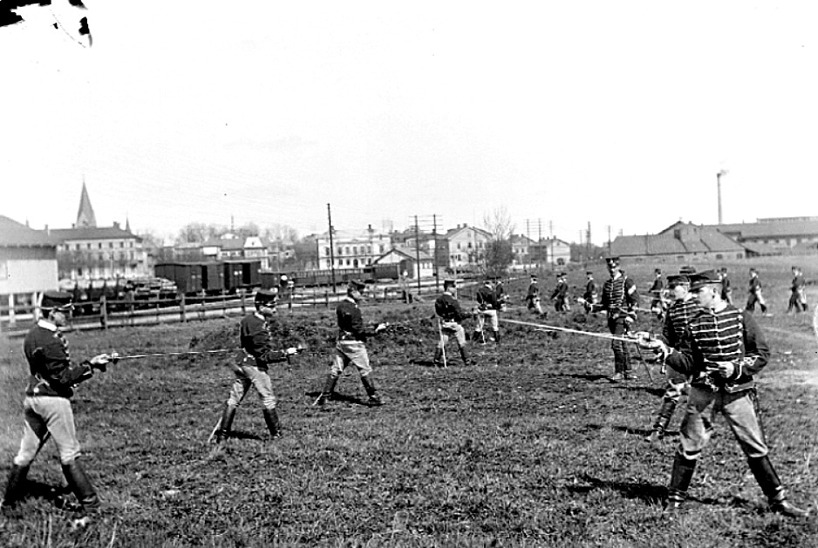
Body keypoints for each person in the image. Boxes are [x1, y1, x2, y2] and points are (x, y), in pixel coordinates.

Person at [651, 270, 807, 517]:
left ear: (714, 290)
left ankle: (779, 500)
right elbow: (689, 362)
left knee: (754, 445)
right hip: (703, 393)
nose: (693, 296)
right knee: (688, 445)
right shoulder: (695, 323)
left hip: (738, 392)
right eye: (691, 291)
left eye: (697, 291)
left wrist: (736, 367)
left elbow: (761, 353)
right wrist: (665, 352)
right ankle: (675, 501)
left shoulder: (740, 317)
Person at [2, 292, 113, 522]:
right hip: (53, 402)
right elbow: (62, 378)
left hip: (32, 400)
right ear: (52, 312)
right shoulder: (51, 339)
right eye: (66, 311)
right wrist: (90, 365)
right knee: (69, 454)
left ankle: (8, 503)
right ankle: (91, 507)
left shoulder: (33, 334)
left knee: (25, 453)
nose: (69, 315)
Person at [213, 289, 300, 443]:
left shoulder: (247, 320)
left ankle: (222, 435)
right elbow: (264, 356)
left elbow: (245, 345)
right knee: (268, 399)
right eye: (271, 305)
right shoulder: (260, 328)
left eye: (275, 304)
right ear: (260, 306)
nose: (275, 308)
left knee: (234, 399)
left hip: (241, 364)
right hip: (255, 367)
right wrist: (286, 353)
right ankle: (277, 435)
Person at [643, 273, 699, 443]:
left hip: (701, 359)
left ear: (686, 288)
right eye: (670, 288)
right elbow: (667, 336)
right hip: (679, 358)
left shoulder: (699, 306)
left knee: (709, 393)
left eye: (674, 288)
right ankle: (658, 429)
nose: (671, 291)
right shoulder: (673, 310)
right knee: (673, 391)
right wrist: (652, 340)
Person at [314, 280, 387, 407]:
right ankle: (374, 397)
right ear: (353, 291)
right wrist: (376, 330)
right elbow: (359, 330)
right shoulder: (354, 309)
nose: (362, 294)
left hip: (342, 342)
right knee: (365, 369)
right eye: (360, 292)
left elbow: (350, 325)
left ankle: (325, 397)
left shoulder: (341, 306)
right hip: (354, 344)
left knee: (336, 369)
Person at [589, 257, 639, 382]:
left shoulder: (627, 281)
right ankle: (628, 372)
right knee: (622, 343)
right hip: (611, 318)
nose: (612, 269)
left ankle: (619, 372)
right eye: (610, 267)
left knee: (616, 344)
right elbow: (604, 304)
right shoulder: (607, 284)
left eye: (614, 267)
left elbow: (635, 300)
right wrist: (589, 306)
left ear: (618, 266)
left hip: (622, 317)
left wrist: (631, 316)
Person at [433, 279, 472, 366]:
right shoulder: (453, 300)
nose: (455, 289)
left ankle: (436, 360)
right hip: (454, 323)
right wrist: (470, 315)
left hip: (444, 323)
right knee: (461, 341)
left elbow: (438, 312)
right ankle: (467, 360)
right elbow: (459, 315)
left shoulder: (438, 300)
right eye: (454, 287)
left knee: (442, 341)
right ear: (449, 288)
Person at [474, 279, 502, 344]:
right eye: (493, 284)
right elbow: (494, 302)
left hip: (482, 310)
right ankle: (497, 340)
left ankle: (474, 340)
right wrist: (498, 305)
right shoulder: (492, 291)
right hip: (491, 310)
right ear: (490, 283)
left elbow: (478, 300)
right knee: (495, 326)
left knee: (479, 326)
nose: (493, 285)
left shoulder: (479, 290)